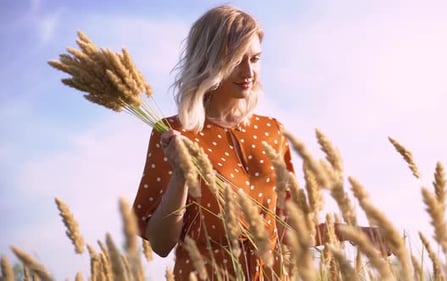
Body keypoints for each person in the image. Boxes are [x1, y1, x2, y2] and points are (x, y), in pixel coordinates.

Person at [132, 5, 389, 281]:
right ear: (209, 61)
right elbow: (159, 244)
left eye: (255, 59)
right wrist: (181, 177)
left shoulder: (272, 131)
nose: (248, 71)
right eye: (236, 59)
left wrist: (347, 232)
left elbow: (284, 228)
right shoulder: (175, 133)